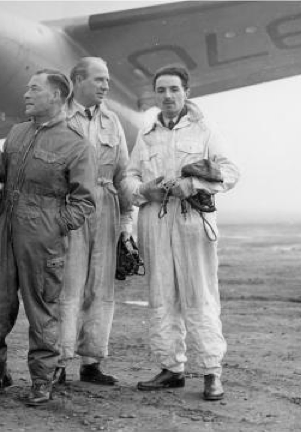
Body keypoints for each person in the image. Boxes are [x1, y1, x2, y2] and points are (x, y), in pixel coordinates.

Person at [0, 69, 97, 406]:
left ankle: (42, 381)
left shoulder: (76, 144)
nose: (26, 94)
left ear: (56, 96)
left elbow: (84, 202)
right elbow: (5, 182)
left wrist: (53, 225)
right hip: (1, 231)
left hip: (41, 238)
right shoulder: (17, 133)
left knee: (41, 312)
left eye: (34, 89)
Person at [122, 66, 239, 401]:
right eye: (161, 90)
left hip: (192, 222)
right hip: (154, 222)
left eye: (174, 89)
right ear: (155, 94)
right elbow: (128, 179)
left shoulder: (205, 130)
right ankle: (170, 368)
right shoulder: (146, 136)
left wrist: (194, 183)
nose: (168, 96)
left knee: (199, 295)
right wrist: (145, 189)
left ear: (186, 91)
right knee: (161, 296)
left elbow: (231, 172)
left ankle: (212, 372)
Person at [57, 57, 134, 386]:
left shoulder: (112, 121)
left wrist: (127, 223)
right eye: (99, 79)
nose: (106, 85)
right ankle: (58, 361)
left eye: (107, 80)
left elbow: (123, 173)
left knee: (101, 288)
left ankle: (92, 362)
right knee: (68, 286)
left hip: (106, 206)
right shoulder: (57, 117)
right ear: (78, 80)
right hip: (69, 206)